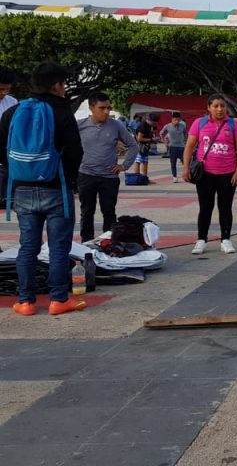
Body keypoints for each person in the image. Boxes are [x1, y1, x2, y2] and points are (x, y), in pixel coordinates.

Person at [0, 62, 85, 315]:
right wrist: (68, 179)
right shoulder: (62, 111)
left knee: (28, 246)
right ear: (57, 85)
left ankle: (25, 302)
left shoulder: (14, 111)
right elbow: (75, 152)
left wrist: (20, 172)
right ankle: (59, 300)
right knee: (59, 246)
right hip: (56, 188)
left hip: (22, 189)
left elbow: (2, 151)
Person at [183, 95, 237, 254]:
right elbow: (189, 147)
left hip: (227, 173)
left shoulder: (233, 125)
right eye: (216, 106)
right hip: (205, 174)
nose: (220, 109)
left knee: (225, 208)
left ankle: (226, 240)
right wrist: (185, 168)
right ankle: (201, 240)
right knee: (205, 208)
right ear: (209, 108)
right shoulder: (200, 123)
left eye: (223, 106)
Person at [77, 92, 139, 241]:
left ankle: (110, 241)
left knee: (109, 211)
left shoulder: (116, 125)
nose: (106, 112)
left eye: (108, 108)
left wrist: (124, 166)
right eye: (102, 108)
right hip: (86, 175)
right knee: (87, 211)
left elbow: (132, 145)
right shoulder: (79, 126)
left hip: (109, 177)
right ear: (92, 108)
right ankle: (86, 241)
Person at [0, 66, 21, 205]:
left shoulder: (12, 102)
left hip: (6, 159)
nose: (4, 93)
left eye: (7, 89)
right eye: (1, 89)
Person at [160, 111, 187, 183]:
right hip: (172, 147)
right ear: (172, 119)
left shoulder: (182, 126)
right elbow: (161, 133)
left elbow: (185, 134)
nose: (177, 121)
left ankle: (186, 175)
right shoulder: (167, 126)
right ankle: (174, 177)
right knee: (173, 163)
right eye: (175, 120)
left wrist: (185, 142)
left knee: (185, 162)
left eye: (178, 120)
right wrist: (164, 142)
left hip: (181, 147)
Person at [130, 113, 158, 179]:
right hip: (138, 145)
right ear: (148, 120)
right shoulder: (143, 126)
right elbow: (139, 138)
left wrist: (153, 139)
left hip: (145, 145)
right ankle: (137, 177)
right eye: (153, 122)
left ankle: (144, 178)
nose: (154, 124)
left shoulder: (149, 125)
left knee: (145, 161)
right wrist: (152, 139)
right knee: (138, 161)